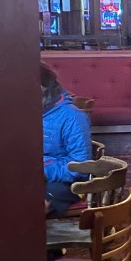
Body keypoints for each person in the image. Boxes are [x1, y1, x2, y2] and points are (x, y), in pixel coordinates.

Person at [41, 63, 92, 217]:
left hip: (65, 183)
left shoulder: (72, 117)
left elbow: (81, 167)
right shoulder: (22, 113)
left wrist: (43, 171)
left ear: (43, 88)